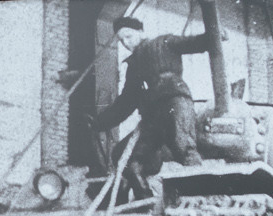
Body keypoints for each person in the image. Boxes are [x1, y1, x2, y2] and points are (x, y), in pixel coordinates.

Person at [90, 14, 217, 197]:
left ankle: (201, 200)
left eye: (129, 36)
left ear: (141, 32)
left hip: (175, 103)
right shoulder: (133, 66)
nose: (126, 42)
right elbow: (126, 102)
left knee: (184, 148)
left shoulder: (164, 42)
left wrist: (214, 35)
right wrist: (100, 123)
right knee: (127, 158)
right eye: (121, 40)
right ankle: (146, 203)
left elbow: (193, 43)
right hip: (152, 115)